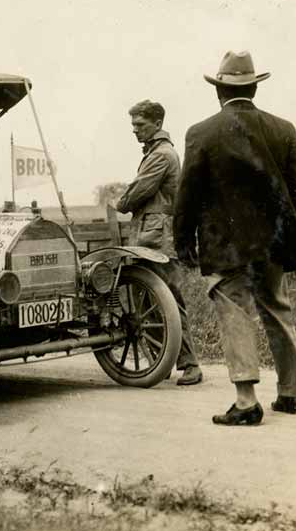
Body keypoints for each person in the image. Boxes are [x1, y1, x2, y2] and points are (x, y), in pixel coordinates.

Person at [174, 51, 296, 426]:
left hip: (225, 244)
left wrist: (183, 240)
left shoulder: (201, 132)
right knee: (277, 307)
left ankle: (247, 400)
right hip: (274, 242)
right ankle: (289, 392)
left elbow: (188, 192)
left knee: (235, 312)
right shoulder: (283, 129)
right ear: (254, 87)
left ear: (219, 91)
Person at [115, 99, 203, 386]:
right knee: (152, 300)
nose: (134, 130)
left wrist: (122, 202)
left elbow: (139, 191)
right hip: (152, 237)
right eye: (132, 126)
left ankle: (189, 364)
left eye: (139, 125)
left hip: (158, 239)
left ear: (157, 124)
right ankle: (161, 361)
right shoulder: (158, 152)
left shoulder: (161, 155)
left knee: (168, 300)